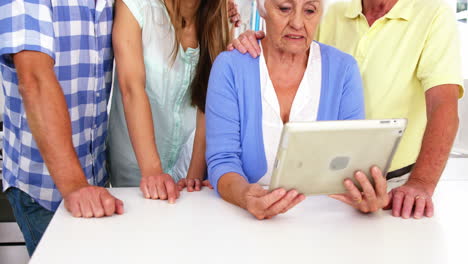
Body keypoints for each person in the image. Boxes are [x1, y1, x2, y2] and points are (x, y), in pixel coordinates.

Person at [229, 0, 464, 219]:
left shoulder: (433, 14)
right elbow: (296, 46)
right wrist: (259, 40)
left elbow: (443, 105)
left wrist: (420, 183)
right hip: (328, 183)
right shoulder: (334, 11)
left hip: (398, 186)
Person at [205, 0, 390, 220]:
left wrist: (366, 194)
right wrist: (245, 196)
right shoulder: (230, 66)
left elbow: (352, 165)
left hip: (323, 222)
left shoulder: (343, 70)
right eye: (284, 8)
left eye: (310, 10)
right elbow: (222, 161)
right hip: (245, 222)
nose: (297, 23)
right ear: (263, 11)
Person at [0, 0, 123, 255]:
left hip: (96, 179)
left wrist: (211, 13)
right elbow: (33, 78)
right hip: (46, 188)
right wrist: (76, 187)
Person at [108, 0, 238, 202]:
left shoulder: (219, 17)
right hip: (136, 171)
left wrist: (193, 177)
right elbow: (131, 89)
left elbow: (208, 102)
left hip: (188, 165)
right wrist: (153, 172)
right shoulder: (136, 7)